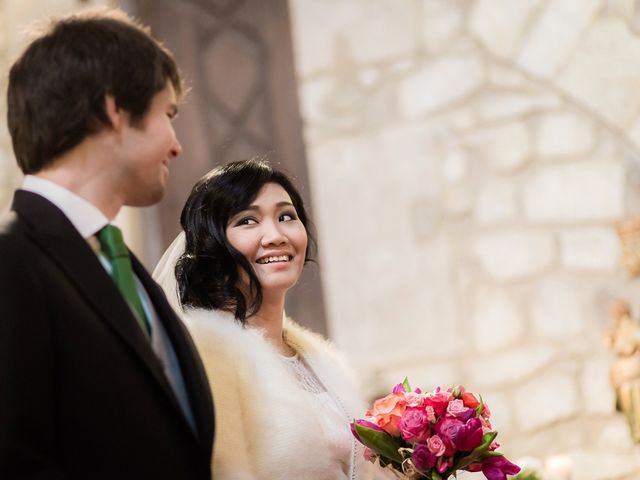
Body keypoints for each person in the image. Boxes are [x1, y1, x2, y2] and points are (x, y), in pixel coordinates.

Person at [0, 8, 214, 479]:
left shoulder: (123, 267)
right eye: (168, 114)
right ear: (113, 110)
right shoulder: (11, 261)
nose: (176, 144)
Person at [153, 158, 369, 479]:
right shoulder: (207, 359)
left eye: (286, 216)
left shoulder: (323, 364)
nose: (276, 235)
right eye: (247, 221)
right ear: (213, 243)